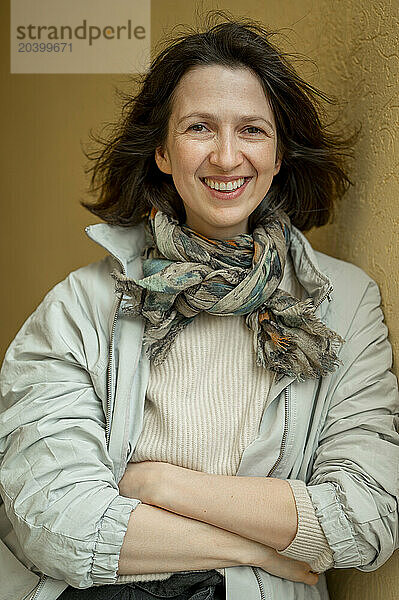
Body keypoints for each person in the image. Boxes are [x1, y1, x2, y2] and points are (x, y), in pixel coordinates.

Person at [0, 14, 398, 600]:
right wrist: (261, 547)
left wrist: (160, 485)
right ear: (162, 151)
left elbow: (368, 518)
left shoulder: (343, 303)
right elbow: (55, 523)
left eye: (253, 130)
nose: (227, 156)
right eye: (199, 128)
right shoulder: (80, 306)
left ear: (280, 151)